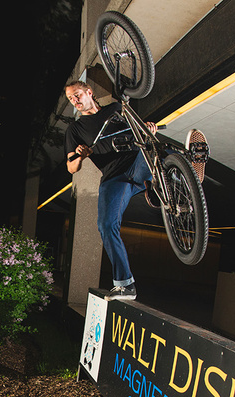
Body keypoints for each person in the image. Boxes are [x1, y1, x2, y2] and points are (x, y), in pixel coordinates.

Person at [64, 80, 157, 301]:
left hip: (136, 162)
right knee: (106, 225)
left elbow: (139, 129)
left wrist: (148, 129)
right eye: (70, 99)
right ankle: (125, 285)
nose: (75, 101)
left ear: (89, 92)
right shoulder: (75, 129)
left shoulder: (116, 108)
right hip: (114, 177)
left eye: (77, 95)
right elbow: (71, 167)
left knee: (152, 148)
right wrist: (81, 157)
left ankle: (174, 177)